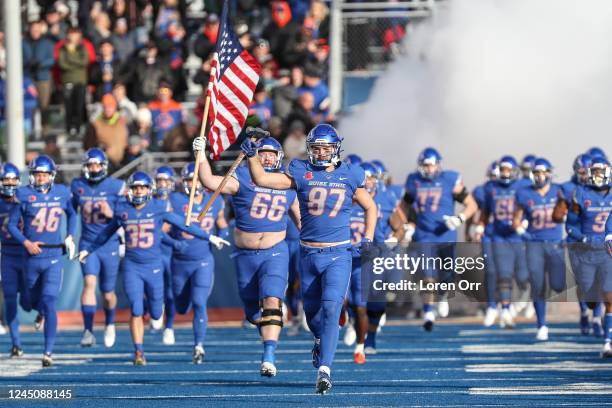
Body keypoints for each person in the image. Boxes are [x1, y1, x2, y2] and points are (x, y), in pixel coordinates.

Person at [235, 124, 376, 394]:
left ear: (336, 148)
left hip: (338, 254)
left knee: (332, 309)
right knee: (312, 315)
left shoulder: (350, 174)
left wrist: (367, 238)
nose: (321, 153)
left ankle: (325, 371)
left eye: (326, 147)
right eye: (317, 148)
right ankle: (320, 339)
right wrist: (252, 155)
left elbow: (370, 206)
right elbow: (264, 180)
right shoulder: (301, 171)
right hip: (309, 254)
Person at [76, 171, 221, 366]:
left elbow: (185, 225)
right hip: (132, 266)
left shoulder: (159, 207)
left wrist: (209, 237)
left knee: (155, 313)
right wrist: (88, 249)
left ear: (149, 189)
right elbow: (106, 233)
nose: (138, 190)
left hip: (153, 267)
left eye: (142, 187)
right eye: (135, 187)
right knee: (136, 309)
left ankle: (156, 317)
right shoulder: (122, 209)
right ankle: (138, 351)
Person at [192, 136, 300, 377]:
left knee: (273, 301)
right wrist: (201, 155)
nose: (267, 156)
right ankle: (266, 329)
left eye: (272, 153)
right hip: (245, 255)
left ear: (279, 156)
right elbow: (209, 181)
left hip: (276, 252)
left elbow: (303, 222)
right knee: (254, 313)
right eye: (263, 152)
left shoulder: (287, 183)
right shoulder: (242, 176)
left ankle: (269, 356)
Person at [389, 147, 477, 330]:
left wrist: (459, 218)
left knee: (447, 275)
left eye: (431, 165)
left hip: (446, 234)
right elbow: (403, 206)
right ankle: (428, 311)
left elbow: (471, 204)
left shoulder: (450, 179)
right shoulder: (414, 181)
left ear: (438, 165)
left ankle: (443, 295)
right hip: (424, 235)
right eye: (425, 166)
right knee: (428, 276)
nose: (428, 169)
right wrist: (406, 227)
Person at [8, 155, 77, 367]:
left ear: (51, 175)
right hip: (31, 257)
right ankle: (39, 313)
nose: (40, 178)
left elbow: (72, 214)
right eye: (37, 174)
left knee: (49, 303)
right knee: (29, 303)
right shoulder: (23, 195)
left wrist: (70, 235)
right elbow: (11, 225)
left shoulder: (62, 193)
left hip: (54, 256)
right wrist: (26, 242)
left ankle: (48, 352)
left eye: (44, 174)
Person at [167, 162, 230, 362]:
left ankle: (198, 346)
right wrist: (174, 243)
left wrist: (224, 233)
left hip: (203, 260)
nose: (193, 184)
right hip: (179, 262)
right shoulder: (175, 200)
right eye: (188, 180)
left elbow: (221, 222)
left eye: (195, 179)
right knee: (182, 307)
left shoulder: (215, 199)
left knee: (199, 302)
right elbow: (161, 231)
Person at [71, 148, 126, 348]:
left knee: (108, 293)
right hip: (87, 245)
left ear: (103, 166)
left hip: (108, 245)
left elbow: (125, 216)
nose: (93, 169)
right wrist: (69, 234)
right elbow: (70, 210)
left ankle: (110, 322)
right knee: (89, 284)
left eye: (96, 165)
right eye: (90, 165)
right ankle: (88, 331)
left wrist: (111, 213)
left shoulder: (116, 186)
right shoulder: (78, 186)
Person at [513, 158, 565, 341]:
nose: (540, 176)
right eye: (536, 173)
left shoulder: (560, 191)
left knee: (558, 285)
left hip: (556, 243)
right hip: (534, 244)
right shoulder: (524, 193)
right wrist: (522, 232)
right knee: (538, 284)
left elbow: (573, 212)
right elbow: (516, 220)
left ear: (550, 173)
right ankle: (542, 324)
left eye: (543, 172)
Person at [475, 155, 529, 329]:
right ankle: (501, 307)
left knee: (522, 275)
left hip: (517, 235)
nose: (506, 174)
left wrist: (526, 222)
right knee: (498, 272)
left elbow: (531, 206)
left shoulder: (522, 186)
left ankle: (520, 300)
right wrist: (479, 227)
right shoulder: (491, 188)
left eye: (508, 170)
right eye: (503, 170)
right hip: (498, 235)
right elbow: (484, 211)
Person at [552, 153, 603, 336]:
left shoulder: (603, 188)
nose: (584, 175)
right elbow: (557, 216)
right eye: (580, 171)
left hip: (600, 241)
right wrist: (567, 210)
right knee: (583, 282)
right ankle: (583, 311)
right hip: (576, 240)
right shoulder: (568, 189)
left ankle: (597, 318)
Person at [568, 157, 612, 358]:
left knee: (610, 296)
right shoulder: (581, 194)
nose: (597, 176)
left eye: (600, 172)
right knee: (591, 299)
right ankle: (591, 312)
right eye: (593, 172)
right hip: (586, 252)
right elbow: (570, 225)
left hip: (607, 252)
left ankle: (607, 342)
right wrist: (583, 237)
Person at [0, 163, 30, 357]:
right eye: (6, 179)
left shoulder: (27, 197)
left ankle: (42, 313)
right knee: (10, 298)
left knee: (29, 301)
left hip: (28, 255)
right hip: (7, 254)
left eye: (12, 179)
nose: (9, 183)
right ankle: (16, 343)